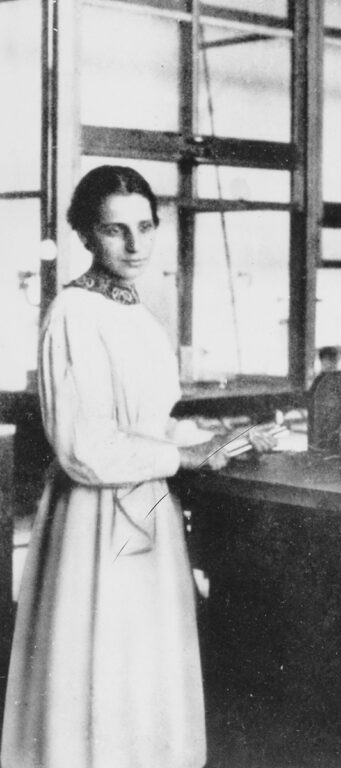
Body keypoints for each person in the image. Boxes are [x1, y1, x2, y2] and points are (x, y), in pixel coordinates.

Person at [1, 165, 230, 768]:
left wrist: (205, 436)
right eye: (114, 230)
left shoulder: (138, 312)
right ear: (85, 235)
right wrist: (180, 454)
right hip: (94, 512)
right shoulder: (74, 312)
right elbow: (84, 446)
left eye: (145, 227)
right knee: (101, 666)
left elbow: (144, 420)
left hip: (148, 500)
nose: (134, 245)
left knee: (145, 664)